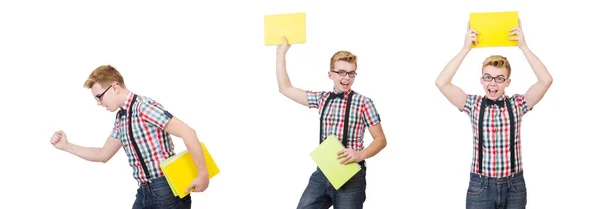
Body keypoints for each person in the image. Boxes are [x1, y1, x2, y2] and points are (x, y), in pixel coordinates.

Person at [49, 65, 210, 209]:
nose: (99, 103)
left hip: (165, 188)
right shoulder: (121, 118)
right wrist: (66, 146)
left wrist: (203, 174)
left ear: (114, 88)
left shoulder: (144, 107)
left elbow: (188, 132)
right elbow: (103, 154)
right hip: (144, 191)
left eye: (99, 96)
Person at [435, 20, 553, 208]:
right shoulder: (473, 104)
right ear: (481, 80)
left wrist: (523, 46)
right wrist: (466, 49)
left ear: (508, 82)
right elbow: (441, 82)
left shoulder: (517, 104)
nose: (493, 83)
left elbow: (546, 80)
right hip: (480, 186)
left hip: (514, 185)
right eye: (488, 77)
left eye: (499, 78)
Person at [275, 36, 387, 209]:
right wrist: (281, 53)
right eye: (341, 72)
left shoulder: (364, 102)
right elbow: (285, 88)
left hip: (351, 176)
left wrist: (360, 155)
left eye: (351, 73)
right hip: (323, 172)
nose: (346, 77)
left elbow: (380, 139)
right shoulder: (322, 98)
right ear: (330, 74)